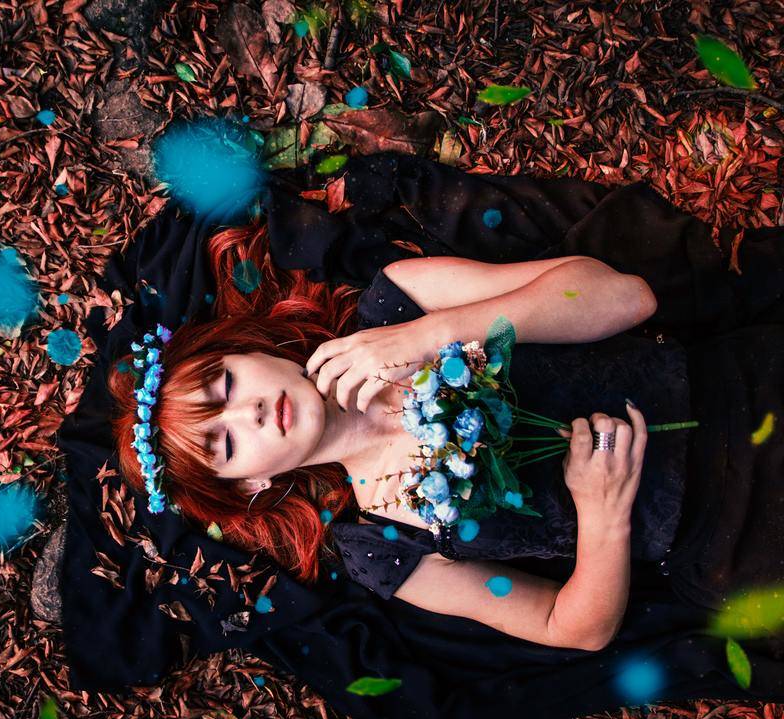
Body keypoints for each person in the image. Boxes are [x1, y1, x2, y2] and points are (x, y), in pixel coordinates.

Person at [106, 212, 781, 655]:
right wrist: (604, 519)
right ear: (252, 482)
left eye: (226, 385)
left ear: (250, 350)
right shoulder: (382, 546)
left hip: (739, 387)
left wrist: (431, 334)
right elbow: (570, 626)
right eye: (225, 444)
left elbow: (623, 298)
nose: (249, 412)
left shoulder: (398, 302)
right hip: (730, 537)